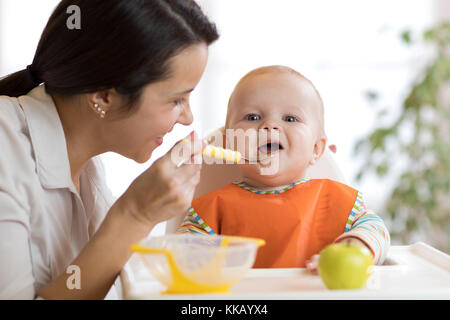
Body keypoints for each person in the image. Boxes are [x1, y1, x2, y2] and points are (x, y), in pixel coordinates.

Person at [0, 0, 218, 299]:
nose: (187, 119)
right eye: (176, 100)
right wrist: (134, 215)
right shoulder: (5, 148)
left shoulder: (88, 170)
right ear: (103, 97)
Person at [177, 65, 390, 269]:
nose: (270, 125)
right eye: (253, 117)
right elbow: (183, 257)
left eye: (290, 118)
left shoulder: (338, 201)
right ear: (228, 143)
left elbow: (377, 231)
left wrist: (355, 247)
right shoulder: (210, 211)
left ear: (316, 149)